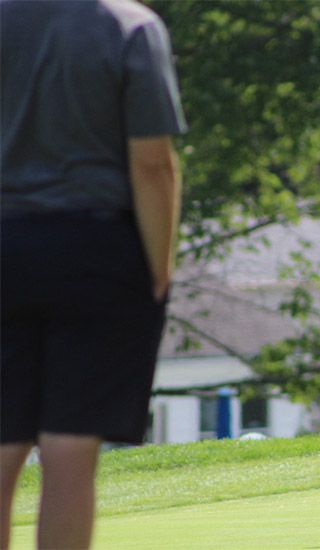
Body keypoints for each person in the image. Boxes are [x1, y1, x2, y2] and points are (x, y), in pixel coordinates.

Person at [0, 1, 186, 548]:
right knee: (69, 449)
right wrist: (159, 270)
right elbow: (152, 164)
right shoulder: (130, 27)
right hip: (97, 251)